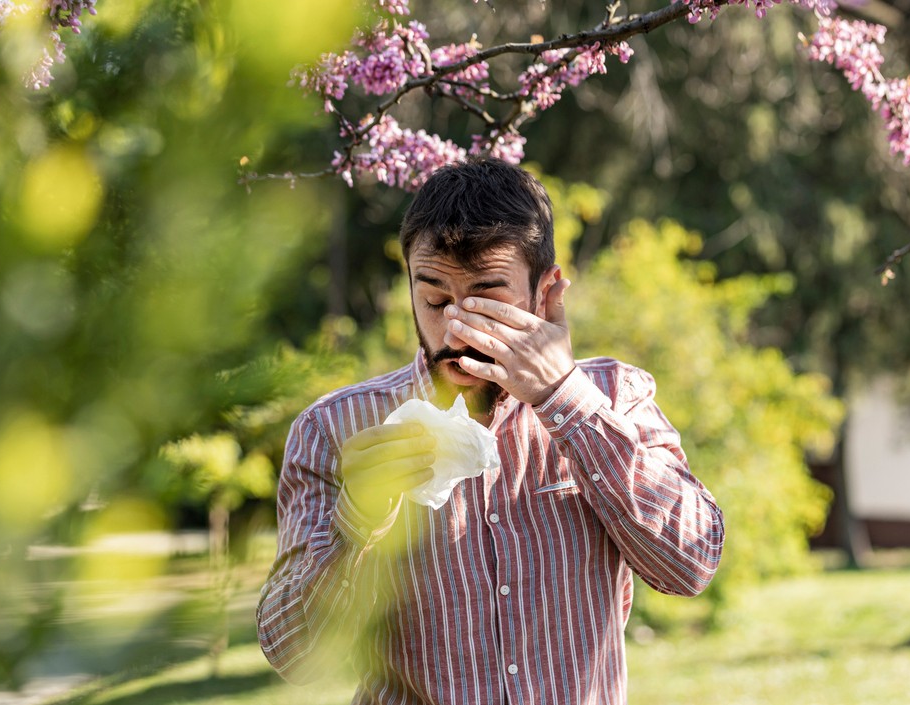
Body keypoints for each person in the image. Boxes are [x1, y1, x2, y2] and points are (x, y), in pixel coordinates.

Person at [257, 158, 724, 703]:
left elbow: (691, 565)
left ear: (545, 294)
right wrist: (355, 522)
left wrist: (565, 399)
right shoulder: (334, 429)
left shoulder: (618, 398)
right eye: (433, 299)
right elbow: (294, 656)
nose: (455, 327)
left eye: (486, 303)